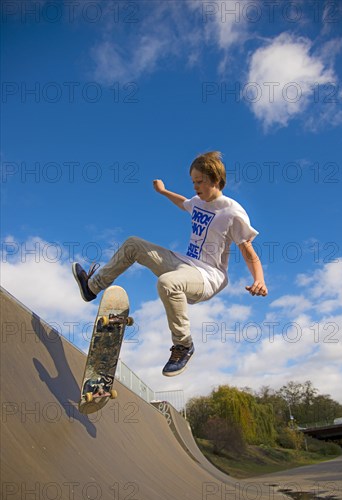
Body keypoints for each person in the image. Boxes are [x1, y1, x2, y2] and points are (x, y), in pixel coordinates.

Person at [72, 151, 268, 377]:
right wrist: (164, 192)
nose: (195, 187)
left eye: (200, 182)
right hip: (184, 264)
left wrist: (259, 280)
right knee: (133, 244)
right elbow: (183, 203)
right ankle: (92, 287)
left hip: (209, 277)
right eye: (193, 182)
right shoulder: (197, 202)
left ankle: (183, 345)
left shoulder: (232, 212)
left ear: (215, 180)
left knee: (168, 283)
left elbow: (247, 250)